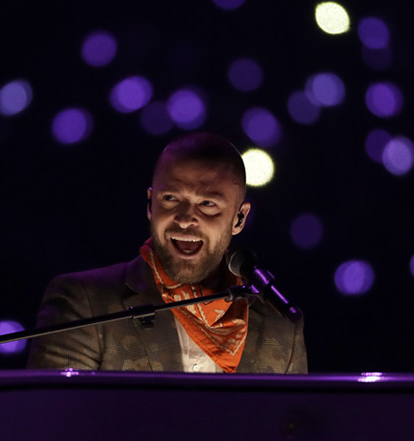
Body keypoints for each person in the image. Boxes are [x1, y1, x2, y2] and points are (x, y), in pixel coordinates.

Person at [27, 132, 307, 373]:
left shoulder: (281, 327)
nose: (185, 219)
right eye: (171, 199)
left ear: (239, 219)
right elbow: (55, 416)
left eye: (207, 204)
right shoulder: (82, 302)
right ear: (151, 204)